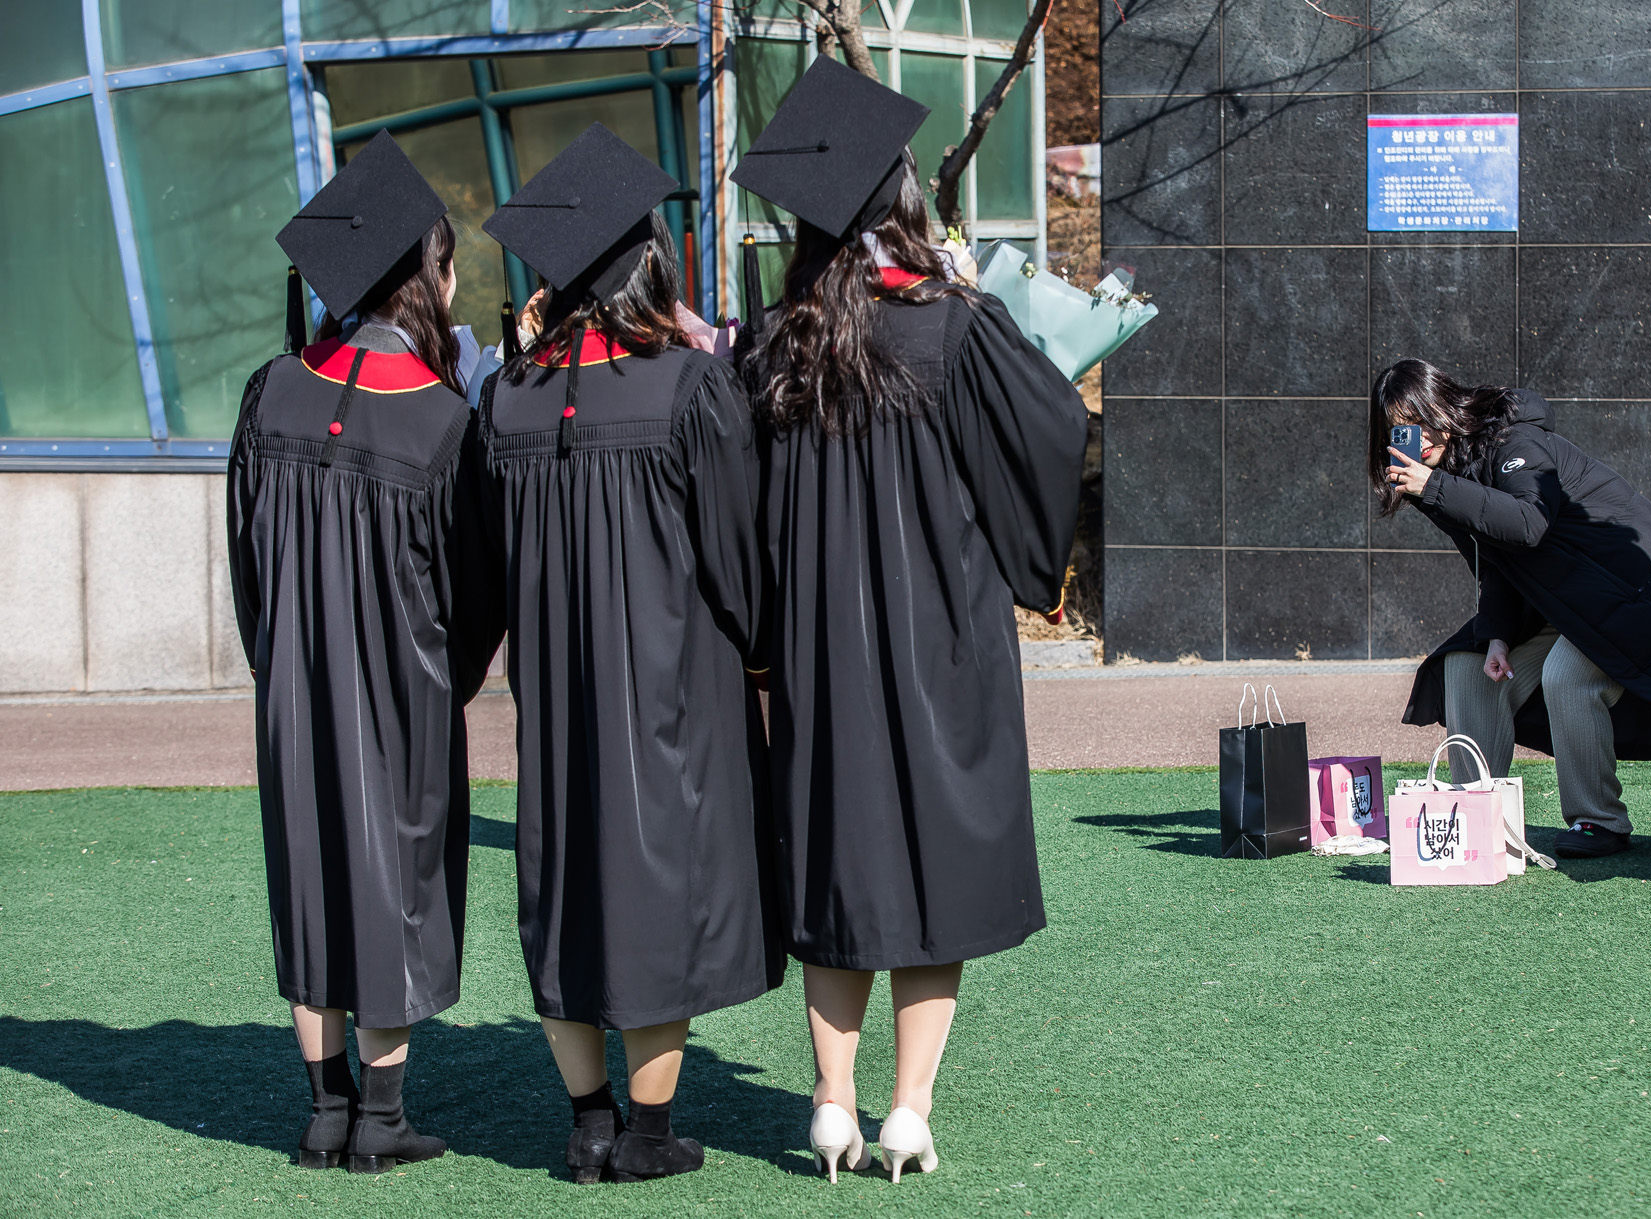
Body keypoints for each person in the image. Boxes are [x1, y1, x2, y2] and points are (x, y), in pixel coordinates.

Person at [731, 59, 1088, 1184]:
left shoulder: (771, 345)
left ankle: (828, 1105)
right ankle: (906, 1112)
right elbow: (1046, 434)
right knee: (931, 875)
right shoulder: (953, 328)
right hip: (940, 642)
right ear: (900, 205)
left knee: (841, 872)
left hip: (818, 656)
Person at [474, 124, 780, 1184]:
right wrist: (761, 647)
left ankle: (588, 1119)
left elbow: (485, 558)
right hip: (672, 685)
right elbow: (737, 557)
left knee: (564, 882)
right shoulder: (687, 389)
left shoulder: (505, 399)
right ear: (647, 264)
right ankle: (647, 1138)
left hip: (554, 689)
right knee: (662, 884)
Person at [229, 132, 492, 1174]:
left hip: (292, 684)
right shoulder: (438, 420)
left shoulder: (270, 394)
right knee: (396, 874)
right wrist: (449, 675)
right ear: (424, 274)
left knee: (312, 865)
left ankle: (324, 1109)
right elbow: (471, 592)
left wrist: (278, 660)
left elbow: (246, 562)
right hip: (401, 687)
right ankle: (381, 1119)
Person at [1378, 359, 1651, 859]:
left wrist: (1434, 487)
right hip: (1563, 606)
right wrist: (1498, 634)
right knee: (1466, 667)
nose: (1416, 439)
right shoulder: (1445, 475)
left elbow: (1529, 523)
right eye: (1401, 429)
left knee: (1567, 674)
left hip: (1627, 595)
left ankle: (1598, 820)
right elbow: (1499, 565)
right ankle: (1478, 821)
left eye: (1421, 420)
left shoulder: (1512, 442)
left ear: (1444, 406)